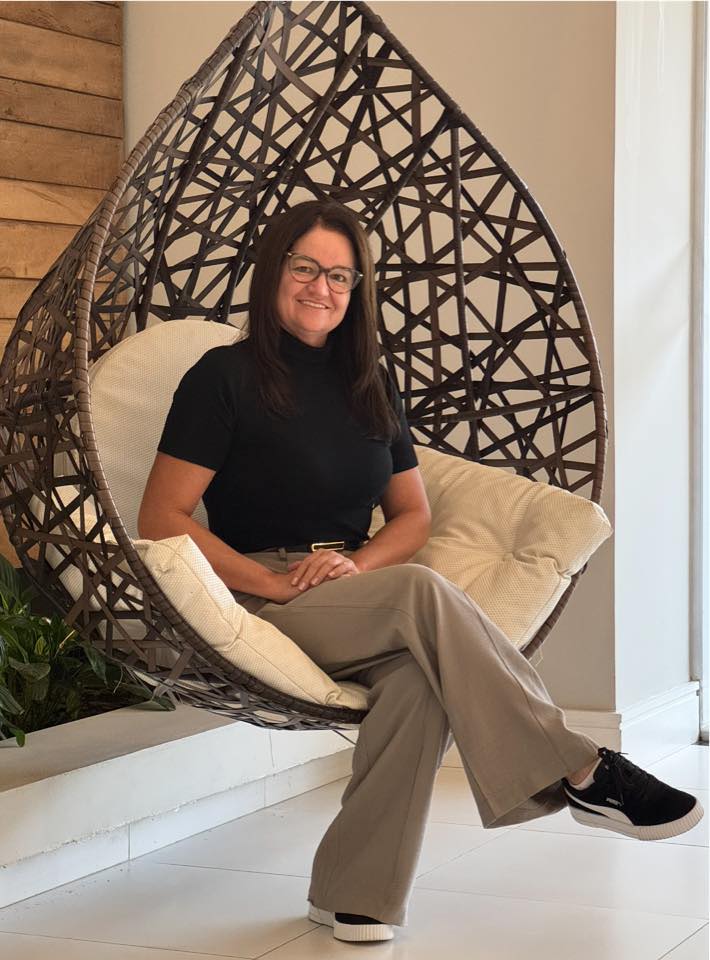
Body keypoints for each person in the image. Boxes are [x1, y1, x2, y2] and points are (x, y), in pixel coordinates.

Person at [138, 200, 704, 944]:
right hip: (259, 592)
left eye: (340, 276)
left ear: (357, 289)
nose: (321, 288)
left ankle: (354, 896)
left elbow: (412, 516)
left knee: (416, 682)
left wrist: (356, 565)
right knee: (421, 591)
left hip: (352, 586)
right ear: (273, 271)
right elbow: (162, 516)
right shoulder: (223, 377)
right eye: (305, 268)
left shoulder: (369, 383)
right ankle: (582, 770)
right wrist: (272, 582)